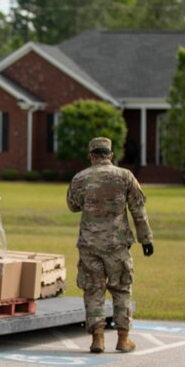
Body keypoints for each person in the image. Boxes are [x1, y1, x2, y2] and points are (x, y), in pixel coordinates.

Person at [67, 136, 154, 354]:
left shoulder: (80, 178)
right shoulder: (125, 176)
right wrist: (146, 240)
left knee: (93, 290)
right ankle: (123, 339)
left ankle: (97, 339)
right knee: (122, 289)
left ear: (91, 156)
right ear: (110, 155)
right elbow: (138, 210)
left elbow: (73, 205)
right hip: (117, 245)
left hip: (89, 244)